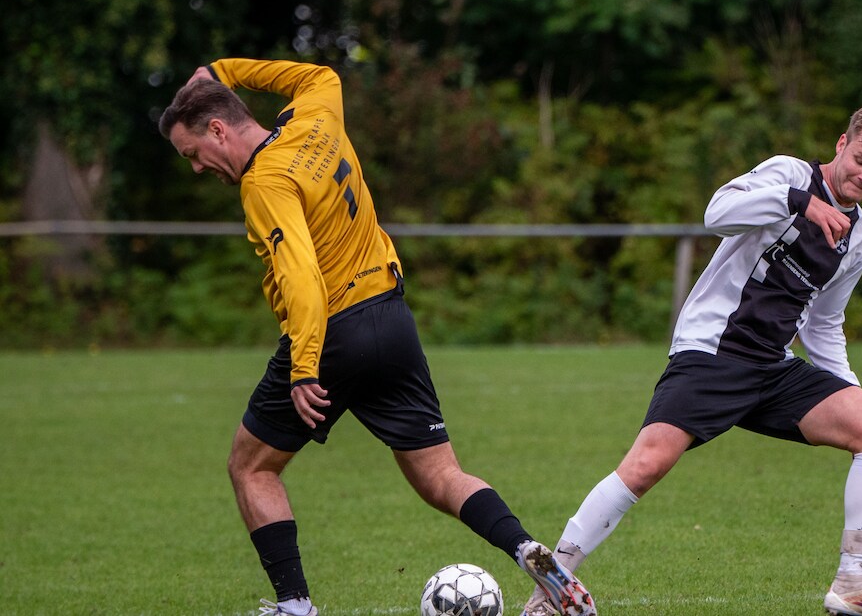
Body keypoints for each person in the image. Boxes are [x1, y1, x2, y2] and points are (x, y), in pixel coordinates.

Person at [158, 58, 596, 616]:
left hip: (333, 333)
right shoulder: (314, 116)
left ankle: (294, 605)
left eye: (193, 154)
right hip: (391, 319)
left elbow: (302, 281)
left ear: (217, 129)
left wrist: (303, 368)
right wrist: (223, 70)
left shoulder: (265, 181)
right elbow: (319, 74)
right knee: (440, 474)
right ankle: (524, 547)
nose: (197, 168)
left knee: (251, 465)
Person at [520, 101, 862, 616]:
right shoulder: (790, 174)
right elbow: (717, 214)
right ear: (842, 144)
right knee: (647, 465)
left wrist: (850, 390)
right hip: (713, 351)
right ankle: (551, 589)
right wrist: (800, 202)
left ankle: (854, 582)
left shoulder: (860, 239)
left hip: (772, 367)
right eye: (861, 160)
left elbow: (823, 323)